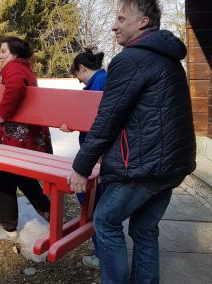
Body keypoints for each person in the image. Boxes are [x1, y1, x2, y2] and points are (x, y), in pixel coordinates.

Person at [67, 0, 196, 282]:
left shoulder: (131, 59)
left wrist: (81, 167)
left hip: (143, 166)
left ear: (143, 22)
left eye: (121, 18)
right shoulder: (169, 59)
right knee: (144, 230)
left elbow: (108, 119)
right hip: (171, 165)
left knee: (105, 220)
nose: (114, 25)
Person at [0, 36, 52, 241]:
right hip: (28, 137)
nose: (0, 55)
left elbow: (14, 88)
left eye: (3, 51)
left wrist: (2, 113)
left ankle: (9, 228)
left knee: (5, 177)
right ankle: (46, 208)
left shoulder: (13, 68)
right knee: (21, 175)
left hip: (15, 136)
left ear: (14, 53)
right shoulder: (24, 67)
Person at [61, 48, 107, 269]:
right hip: (96, 152)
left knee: (92, 202)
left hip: (96, 154)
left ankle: (102, 254)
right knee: (93, 202)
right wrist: (73, 124)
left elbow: (99, 121)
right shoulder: (102, 79)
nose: (79, 81)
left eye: (77, 75)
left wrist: (97, 156)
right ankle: (103, 251)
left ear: (82, 68)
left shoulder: (98, 84)